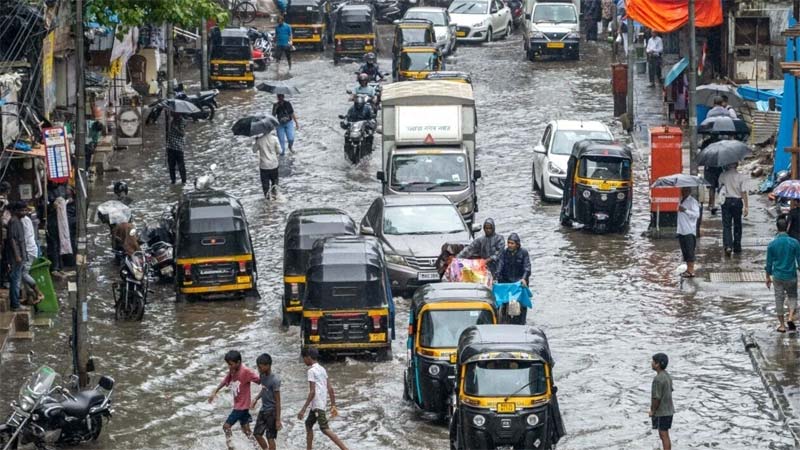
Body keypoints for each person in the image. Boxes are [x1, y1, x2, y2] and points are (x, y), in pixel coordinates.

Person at [208, 350, 261, 450]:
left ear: (238, 362)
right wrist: (215, 391)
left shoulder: (246, 371)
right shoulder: (233, 370)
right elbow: (225, 380)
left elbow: (259, 380)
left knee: (226, 426)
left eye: (231, 364)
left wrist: (262, 392)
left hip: (240, 407)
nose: (229, 366)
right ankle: (257, 447)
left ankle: (231, 448)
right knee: (246, 430)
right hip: (241, 406)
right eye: (228, 364)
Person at [298, 347, 348, 450]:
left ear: (308, 357)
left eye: (304, 358)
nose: (304, 361)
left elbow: (312, 392)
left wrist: (303, 409)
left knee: (324, 428)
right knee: (308, 424)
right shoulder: (322, 369)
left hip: (317, 405)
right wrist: (333, 405)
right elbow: (330, 388)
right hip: (320, 404)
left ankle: (345, 449)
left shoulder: (311, 371)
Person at [765, 217, 800, 333]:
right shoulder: (794, 243)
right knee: (792, 296)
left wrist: (767, 277)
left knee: (779, 299)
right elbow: (799, 261)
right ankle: (790, 317)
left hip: (778, 276)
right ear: (787, 227)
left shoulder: (772, 244)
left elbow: (769, 263)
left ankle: (782, 325)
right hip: (791, 275)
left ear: (777, 227)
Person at [495, 233, 532, 325]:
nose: (510, 245)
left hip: (519, 283)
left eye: (512, 243)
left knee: (521, 304)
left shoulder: (523, 253)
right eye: (509, 243)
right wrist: (496, 276)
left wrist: (524, 278)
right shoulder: (504, 252)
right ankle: (503, 319)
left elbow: (527, 268)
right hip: (507, 282)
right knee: (503, 303)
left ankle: (521, 322)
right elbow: (500, 264)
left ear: (517, 244)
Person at [251, 353, 282, 450]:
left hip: (272, 412)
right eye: (258, 367)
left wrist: (278, 420)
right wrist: (256, 398)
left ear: (268, 365)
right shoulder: (262, 376)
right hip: (263, 409)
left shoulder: (275, 380)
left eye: (260, 367)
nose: (259, 370)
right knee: (257, 433)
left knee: (270, 437)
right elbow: (264, 389)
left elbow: (278, 401)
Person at [718, 162, 748, 256]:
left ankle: (728, 246)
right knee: (737, 224)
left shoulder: (722, 175)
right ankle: (737, 246)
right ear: (737, 164)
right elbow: (743, 192)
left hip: (726, 201)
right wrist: (746, 206)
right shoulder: (741, 177)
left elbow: (720, 189)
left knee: (726, 225)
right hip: (737, 201)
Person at [650, 353, 674, 450]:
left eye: (653, 361)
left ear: (657, 364)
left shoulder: (658, 379)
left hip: (662, 412)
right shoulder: (667, 376)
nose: (651, 363)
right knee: (665, 434)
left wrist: (653, 411)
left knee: (663, 435)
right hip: (669, 410)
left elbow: (656, 398)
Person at [6, 203, 28, 311]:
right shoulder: (14, 221)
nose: (24, 212)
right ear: (16, 211)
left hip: (20, 255)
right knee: (16, 279)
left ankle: (16, 302)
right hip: (16, 256)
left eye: (25, 210)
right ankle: (15, 304)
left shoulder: (18, 221)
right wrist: (17, 255)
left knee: (17, 279)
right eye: (22, 210)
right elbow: (13, 240)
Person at [20, 206, 43, 305]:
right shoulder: (27, 219)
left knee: (23, 274)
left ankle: (39, 293)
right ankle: (30, 297)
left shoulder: (22, 221)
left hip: (29, 250)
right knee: (24, 274)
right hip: (31, 248)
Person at [677, 187, 700, 278]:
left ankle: (691, 270)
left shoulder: (693, 201)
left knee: (690, 251)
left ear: (689, 191)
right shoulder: (680, 200)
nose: (684, 192)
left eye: (686, 190)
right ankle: (688, 269)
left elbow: (696, 215)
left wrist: (685, 210)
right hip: (681, 230)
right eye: (683, 190)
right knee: (685, 251)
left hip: (689, 230)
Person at [254, 130, 281, 200]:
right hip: (274, 164)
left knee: (265, 185)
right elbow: (279, 151)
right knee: (274, 182)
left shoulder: (259, 140)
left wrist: (256, 141)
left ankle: (268, 200)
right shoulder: (275, 139)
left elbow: (254, 150)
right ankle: (275, 196)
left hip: (264, 166)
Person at [166, 112, 187, 184]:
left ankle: (183, 181)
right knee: (171, 166)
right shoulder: (173, 120)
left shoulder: (182, 121)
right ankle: (173, 181)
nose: (171, 113)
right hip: (170, 146)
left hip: (178, 147)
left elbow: (182, 134)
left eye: (173, 112)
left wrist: (175, 128)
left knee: (181, 166)